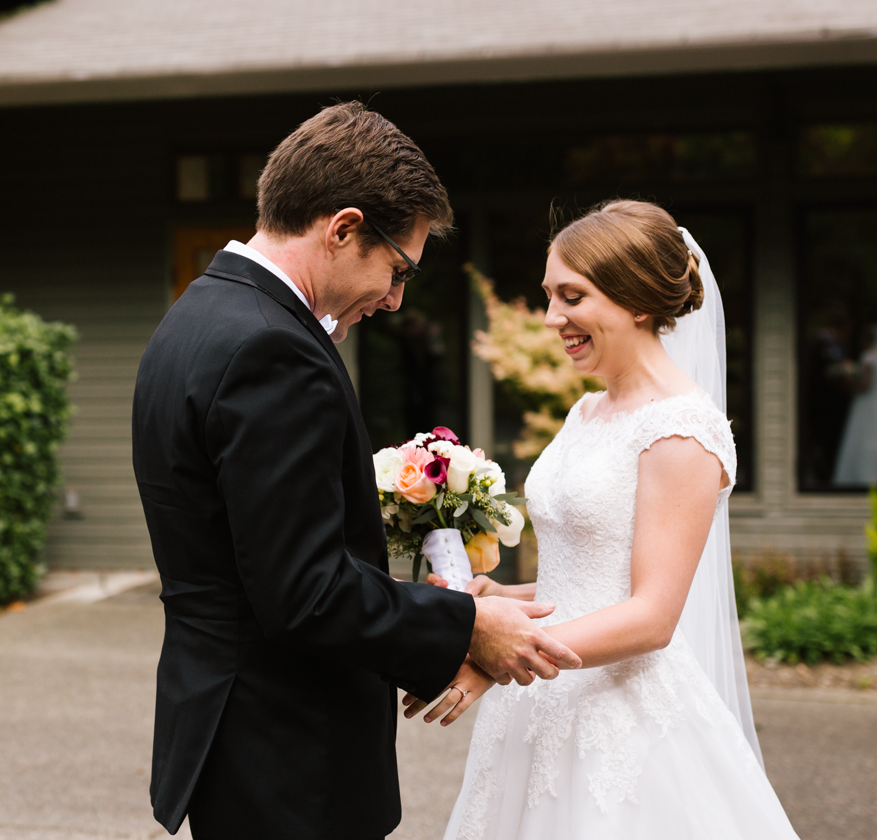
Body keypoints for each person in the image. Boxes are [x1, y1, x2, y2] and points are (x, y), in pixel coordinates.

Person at [131, 102, 581, 840]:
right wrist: (465, 625)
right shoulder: (274, 351)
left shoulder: (193, 319)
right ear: (342, 229)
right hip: (289, 752)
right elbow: (304, 593)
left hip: (229, 726)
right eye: (397, 268)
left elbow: (257, 557)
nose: (396, 298)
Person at [411, 200, 798, 839]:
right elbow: (588, 578)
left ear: (637, 301)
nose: (552, 317)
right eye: (549, 296)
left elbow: (651, 615)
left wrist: (503, 652)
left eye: (573, 296)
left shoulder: (682, 432)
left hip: (619, 717)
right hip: (541, 703)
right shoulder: (587, 413)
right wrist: (497, 601)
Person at [831, 324, 877, 487]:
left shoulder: (869, 357)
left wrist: (848, 384)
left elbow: (866, 384)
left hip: (866, 404)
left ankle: (863, 476)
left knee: (862, 439)